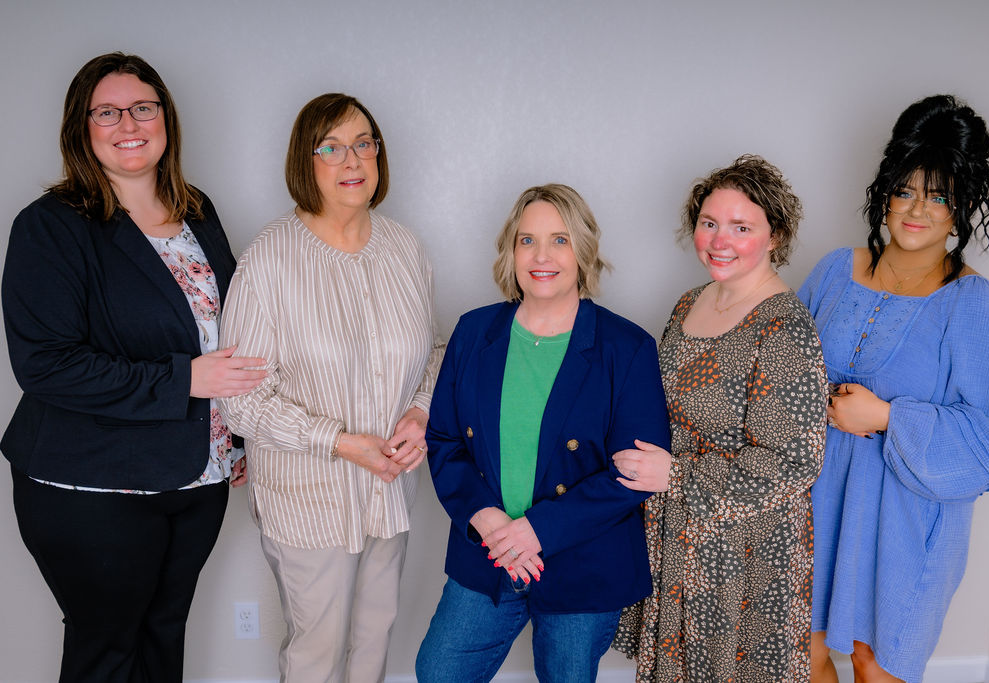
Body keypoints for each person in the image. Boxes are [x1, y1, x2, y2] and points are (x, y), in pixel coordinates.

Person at [1, 52, 265, 682]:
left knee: (163, 636)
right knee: (107, 652)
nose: (128, 123)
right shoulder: (50, 227)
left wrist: (236, 435)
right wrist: (187, 379)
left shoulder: (197, 211)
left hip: (197, 475)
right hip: (92, 485)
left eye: (143, 107)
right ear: (81, 126)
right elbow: (46, 365)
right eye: (107, 112)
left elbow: (225, 328)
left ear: (165, 118)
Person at [798, 95, 989, 683]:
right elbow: (783, 368)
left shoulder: (979, 306)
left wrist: (886, 417)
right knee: (802, 651)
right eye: (905, 191)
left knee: (876, 664)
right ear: (884, 195)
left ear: (963, 207)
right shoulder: (833, 272)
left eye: (939, 196)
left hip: (907, 517)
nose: (917, 209)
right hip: (816, 500)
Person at [217, 92, 441, 683]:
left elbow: (431, 353)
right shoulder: (269, 259)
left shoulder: (406, 248)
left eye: (364, 143)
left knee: (373, 645)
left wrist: (420, 413)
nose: (353, 160)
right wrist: (339, 441)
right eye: (332, 147)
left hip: (388, 491)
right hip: (307, 502)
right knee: (316, 656)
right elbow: (240, 401)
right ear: (305, 160)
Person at [415, 184, 670, 683]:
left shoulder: (627, 347)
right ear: (511, 251)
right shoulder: (474, 332)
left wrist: (538, 530)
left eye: (559, 240)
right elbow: (444, 440)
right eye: (527, 240)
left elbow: (634, 473)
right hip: (489, 550)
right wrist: (486, 519)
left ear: (583, 250)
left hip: (583, 562)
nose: (541, 256)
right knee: (439, 671)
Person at [613, 155, 829, 682]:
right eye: (709, 223)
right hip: (677, 527)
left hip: (742, 549)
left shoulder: (784, 327)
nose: (719, 241)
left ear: (775, 236)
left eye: (741, 227)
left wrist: (676, 474)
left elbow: (794, 462)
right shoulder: (690, 302)